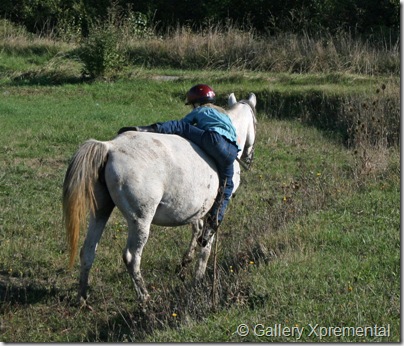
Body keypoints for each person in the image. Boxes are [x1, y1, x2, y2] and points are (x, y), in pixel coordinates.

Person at [118, 84, 240, 246]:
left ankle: (148, 129)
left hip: (213, 140)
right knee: (226, 189)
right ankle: (211, 227)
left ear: (196, 103)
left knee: (181, 127)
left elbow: (183, 124)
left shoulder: (201, 110)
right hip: (231, 150)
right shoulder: (224, 114)